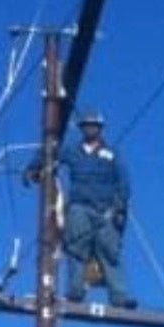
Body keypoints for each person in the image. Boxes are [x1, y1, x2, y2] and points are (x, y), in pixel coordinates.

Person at [58, 111, 136, 307]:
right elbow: (50, 154)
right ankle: (75, 292)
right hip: (80, 207)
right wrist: (34, 167)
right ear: (82, 128)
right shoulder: (73, 152)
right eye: (87, 125)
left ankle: (119, 297)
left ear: (100, 129)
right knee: (76, 249)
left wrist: (118, 208)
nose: (91, 128)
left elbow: (124, 183)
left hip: (106, 211)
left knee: (109, 252)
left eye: (94, 125)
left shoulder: (111, 155)